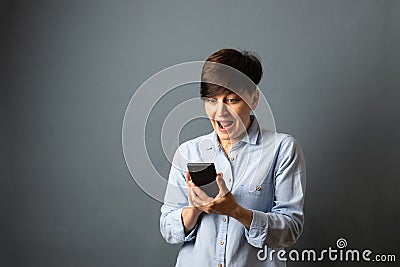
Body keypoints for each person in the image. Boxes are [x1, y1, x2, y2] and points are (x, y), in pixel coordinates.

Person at [160, 48, 306, 267]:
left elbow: (290, 229)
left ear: (254, 99)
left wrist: (235, 211)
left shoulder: (282, 149)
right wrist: (196, 208)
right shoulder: (188, 152)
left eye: (231, 100)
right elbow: (168, 229)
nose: (220, 112)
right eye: (211, 100)